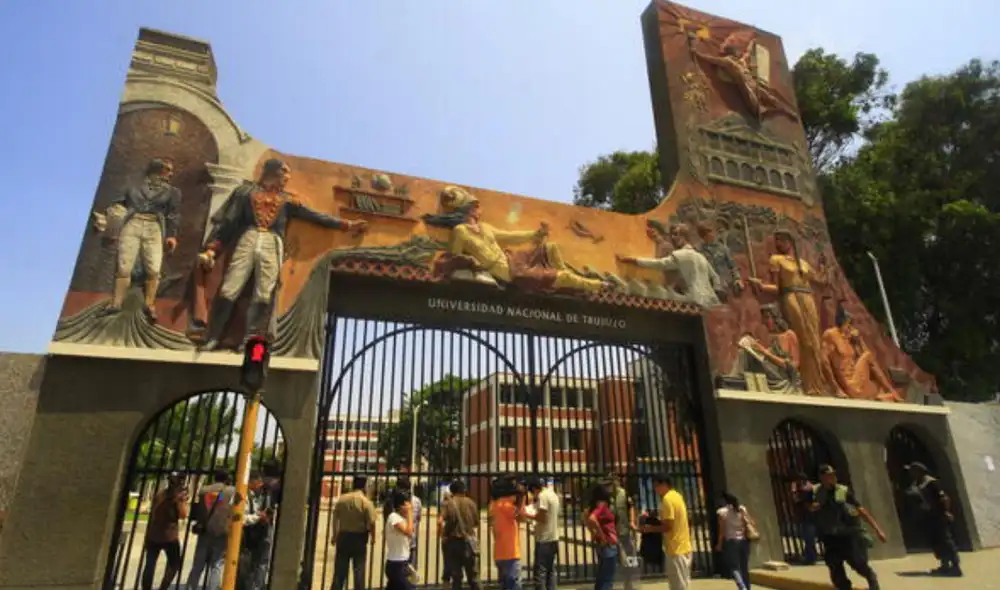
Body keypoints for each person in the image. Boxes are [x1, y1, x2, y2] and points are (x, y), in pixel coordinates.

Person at [198, 158, 368, 350]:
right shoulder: (245, 193)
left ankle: (250, 341)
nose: (287, 178)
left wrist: (347, 224)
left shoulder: (287, 200)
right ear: (272, 172)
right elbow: (229, 223)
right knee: (229, 288)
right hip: (248, 238)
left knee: (264, 293)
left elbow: (314, 216)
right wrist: (213, 248)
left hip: (272, 242)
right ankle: (214, 337)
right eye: (284, 173)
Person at [422, 186, 617, 293]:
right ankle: (597, 286)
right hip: (509, 273)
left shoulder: (486, 228)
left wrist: (536, 234)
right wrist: (471, 264)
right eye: (476, 206)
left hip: (513, 260)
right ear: (469, 210)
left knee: (551, 247)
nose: (479, 209)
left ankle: (566, 279)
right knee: (563, 277)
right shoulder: (460, 231)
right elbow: (455, 256)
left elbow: (511, 237)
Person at [93, 158, 182, 322]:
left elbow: (173, 215)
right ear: (157, 169)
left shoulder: (173, 192)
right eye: (167, 169)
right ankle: (116, 303)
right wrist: (108, 218)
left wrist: (171, 235)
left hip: (154, 227)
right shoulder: (133, 186)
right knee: (124, 266)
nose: (171, 174)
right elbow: (117, 204)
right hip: (132, 224)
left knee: (154, 269)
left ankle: (149, 304)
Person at [747, 230, 832, 396]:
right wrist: (761, 285)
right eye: (776, 240)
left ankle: (819, 384)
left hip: (808, 298)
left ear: (790, 241)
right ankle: (806, 383)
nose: (778, 244)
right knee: (804, 340)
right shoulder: (776, 259)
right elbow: (776, 287)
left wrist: (823, 266)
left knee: (814, 340)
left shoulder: (803, 263)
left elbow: (820, 281)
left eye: (781, 240)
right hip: (791, 297)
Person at [810, 465, 887, 590]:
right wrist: (813, 507)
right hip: (830, 536)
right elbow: (807, 507)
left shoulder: (842, 491)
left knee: (857, 563)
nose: (832, 477)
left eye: (833, 475)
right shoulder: (816, 492)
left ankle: (871, 578)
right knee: (835, 568)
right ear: (822, 477)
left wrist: (877, 529)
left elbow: (860, 509)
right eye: (829, 475)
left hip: (847, 535)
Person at [618, 223, 722, 308]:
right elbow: (715, 277)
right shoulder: (701, 257)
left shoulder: (681, 255)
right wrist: (716, 290)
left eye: (676, 234)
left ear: (683, 237)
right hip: (711, 301)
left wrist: (633, 260)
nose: (673, 237)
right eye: (673, 234)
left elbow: (659, 264)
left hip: (695, 300)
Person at [822, 304, 904, 402]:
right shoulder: (830, 335)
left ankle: (887, 394)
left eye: (851, 324)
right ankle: (890, 391)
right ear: (843, 321)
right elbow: (824, 362)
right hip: (847, 385)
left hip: (856, 383)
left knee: (868, 360)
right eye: (849, 324)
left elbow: (867, 359)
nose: (850, 327)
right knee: (867, 356)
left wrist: (859, 341)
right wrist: (836, 389)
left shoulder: (848, 338)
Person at [731, 304, 801, 393]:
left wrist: (764, 351)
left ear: (776, 318)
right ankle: (735, 380)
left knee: (746, 355)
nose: (765, 322)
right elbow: (767, 356)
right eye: (764, 319)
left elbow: (794, 364)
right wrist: (752, 347)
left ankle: (735, 380)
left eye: (768, 318)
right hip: (772, 371)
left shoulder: (789, 335)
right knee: (744, 353)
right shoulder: (773, 337)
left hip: (783, 374)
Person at [907, 462, 962, 576]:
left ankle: (955, 566)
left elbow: (944, 498)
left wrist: (946, 511)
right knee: (937, 541)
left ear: (920, 471)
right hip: (930, 515)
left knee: (946, 540)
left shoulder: (931, 482)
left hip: (939, 515)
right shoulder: (918, 483)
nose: (911, 473)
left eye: (913, 471)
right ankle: (944, 565)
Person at [187, 469, 235, 590]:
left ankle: (191, 587)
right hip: (221, 530)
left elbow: (199, 509)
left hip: (205, 530)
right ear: (227, 478)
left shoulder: (204, 490)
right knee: (216, 565)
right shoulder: (231, 491)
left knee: (198, 564)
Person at [641, 474, 692, 590]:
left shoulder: (667, 500)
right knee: (683, 584)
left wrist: (650, 528)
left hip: (675, 549)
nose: (655, 489)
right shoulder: (677, 496)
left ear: (664, 484)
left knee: (677, 586)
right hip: (684, 546)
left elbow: (668, 526)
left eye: (656, 486)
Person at [141, 473, 188, 590]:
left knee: (150, 565)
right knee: (174, 563)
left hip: (154, 534)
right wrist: (181, 500)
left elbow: (153, 514)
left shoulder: (160, 494)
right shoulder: (177, 497)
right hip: (169, 537)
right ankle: (163, 587)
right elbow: (183, 514)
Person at [331, 476, 377, 590]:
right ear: (364, 486)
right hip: (359, 538)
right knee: (359, 571)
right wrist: (373, 537)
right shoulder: (365, 502)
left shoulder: (342, 499)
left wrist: (334, 534)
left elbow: (335, 518)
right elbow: (372, 522)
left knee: (340, 571)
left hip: (343, 536)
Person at [438, 479, 480, 590]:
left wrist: (443, 535)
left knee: (456, 577)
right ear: (464, 490)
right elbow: (476, 523)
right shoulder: (471, 503)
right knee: (473, 576)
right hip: (468, 543)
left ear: (452, 491)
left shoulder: (448, 503)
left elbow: (440, 521)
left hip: (453, 542)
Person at [522, 476, 560, 590]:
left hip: (544, 539)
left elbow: (542, 517)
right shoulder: (553, 494)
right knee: (551, 570)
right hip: (554, 538)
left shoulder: (542, 496)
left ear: (534, 489)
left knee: (540, 572)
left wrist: (527, 514)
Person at [489, 476, 525, 590]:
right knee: (514, 585)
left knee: (505, 584)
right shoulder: (506, 505)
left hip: (499, 553)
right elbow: (522, 515)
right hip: (510, 554)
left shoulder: (494, 505)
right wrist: (522, 497)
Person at [715, 492, 754, 590]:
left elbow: (722, 530)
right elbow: (752, 523)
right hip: (744, 541)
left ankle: (742, 588)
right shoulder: (742, 509)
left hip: (731, 542)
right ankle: (747, 587)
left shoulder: (722, 512)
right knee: (744, 567)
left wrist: (719, 544)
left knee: (734, 567)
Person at [608, 474, 640, 590]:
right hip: (612, 534)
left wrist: (631, 521)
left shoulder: (624, 494)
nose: (613, 484)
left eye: (614, 481)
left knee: (630, 558)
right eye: (611, 482)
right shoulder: (607, 496)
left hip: (625, 531)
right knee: (616, 560)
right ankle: (616, 583)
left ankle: (630, 583)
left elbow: (631, 507)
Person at [585, 483, 619, 590]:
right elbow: (591, 519)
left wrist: (594, 533)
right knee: (607, 578)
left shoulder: (595, 506)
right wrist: (602, 535)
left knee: (602, 576)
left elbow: (586, 518)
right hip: (608, 543)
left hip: (603, 544)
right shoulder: (602, 505)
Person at [385, 491, 416, 590]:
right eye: (407, 505)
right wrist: (410, 513)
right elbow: (409, 532)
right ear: (401, 506)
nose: (410, 507)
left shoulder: (401, 518)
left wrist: (408, 515)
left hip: (401, 562)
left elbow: (411, 531)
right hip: (396, 564)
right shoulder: (393, 517)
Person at [792, 473, 818, 565]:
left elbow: (798, 500)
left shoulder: (809, 488)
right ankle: (810, 556)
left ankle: (811, 557)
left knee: (809, 537)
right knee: (808, 538)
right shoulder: (799, 488)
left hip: (810, 516)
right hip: (806, 516)